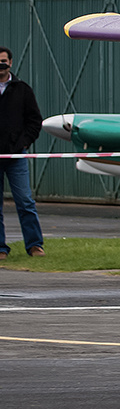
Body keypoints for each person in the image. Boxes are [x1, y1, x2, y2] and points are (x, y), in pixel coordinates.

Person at [0, 46, 44, 260]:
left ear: (10, 62)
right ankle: (0, 248)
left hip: (16, 156)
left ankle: (35, 245)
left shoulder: (22, 89)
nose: (1, 65)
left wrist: (24, 143)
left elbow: (35, 120)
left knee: (25, 201)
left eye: (3, 61)